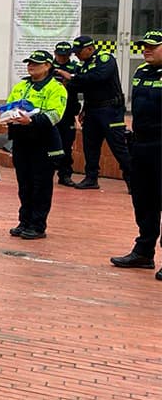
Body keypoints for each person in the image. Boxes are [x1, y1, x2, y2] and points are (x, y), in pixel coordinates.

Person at [110, 29, 162, 280]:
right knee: (143, 200)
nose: (146, 49)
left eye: (153, 46)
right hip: (141, 146)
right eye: (144, 46)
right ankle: (144, 252)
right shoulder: (140, 72)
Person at [5, 50, 68, 240]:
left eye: (36, 63)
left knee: (40, 185)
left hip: (43, 142)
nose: (31, 66)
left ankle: (37, 225)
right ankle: (24, 221)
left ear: (48, 66)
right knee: (24, 184)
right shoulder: (22, 85)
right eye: (29, 62)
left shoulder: (56, 88)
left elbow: (55, 114)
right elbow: (10, 105)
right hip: (21, 140)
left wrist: (32, 120)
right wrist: (9, 115)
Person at [55, 35, 131, 191]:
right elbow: (84, 87)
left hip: (110, 110)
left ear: (89, 49)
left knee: (118, 147)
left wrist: (73, 77)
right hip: (92, 110)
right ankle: (91, 178)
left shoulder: (104, 59)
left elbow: (98, 78)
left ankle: (133, 181)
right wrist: (83, 107)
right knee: (90, 147)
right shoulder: (84, 66)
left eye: (78, 52)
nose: (76, 55)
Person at [51, 42, 81, 187]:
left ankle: (65, 174)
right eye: (59, 55)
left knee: (66, 145)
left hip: (68, 111)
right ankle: (47, 171)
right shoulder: (47, 66)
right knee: (48, 144)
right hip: (50, 111)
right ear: (55, 53)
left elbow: (81, 85)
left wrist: (67, 81)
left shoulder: (76, 67)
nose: (62, 58)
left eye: (65, 55)